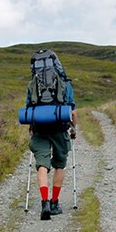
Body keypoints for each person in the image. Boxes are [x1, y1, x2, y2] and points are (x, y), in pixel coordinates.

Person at [25, 51, 77, 221]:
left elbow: (28, 107)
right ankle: (54, 203)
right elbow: (73, 111)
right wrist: (73, 128)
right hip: (60, 128)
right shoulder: (64, 84)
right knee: (59, 164)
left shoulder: (32, 84)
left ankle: (44, 201)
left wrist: (32, 128)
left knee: (42, 164)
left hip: (39, 128)